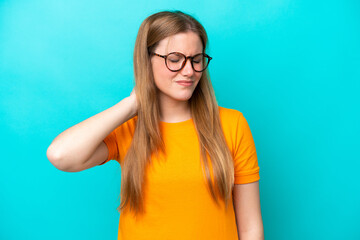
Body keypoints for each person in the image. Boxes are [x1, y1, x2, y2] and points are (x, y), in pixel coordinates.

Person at [46, 10, 264, 240]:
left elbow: (250, 228)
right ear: (146, 59)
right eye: (175, 59)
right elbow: (60, 155)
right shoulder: (129, 128)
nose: (189, 71)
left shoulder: (232, 124)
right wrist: (132, 104)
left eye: (196, 59)